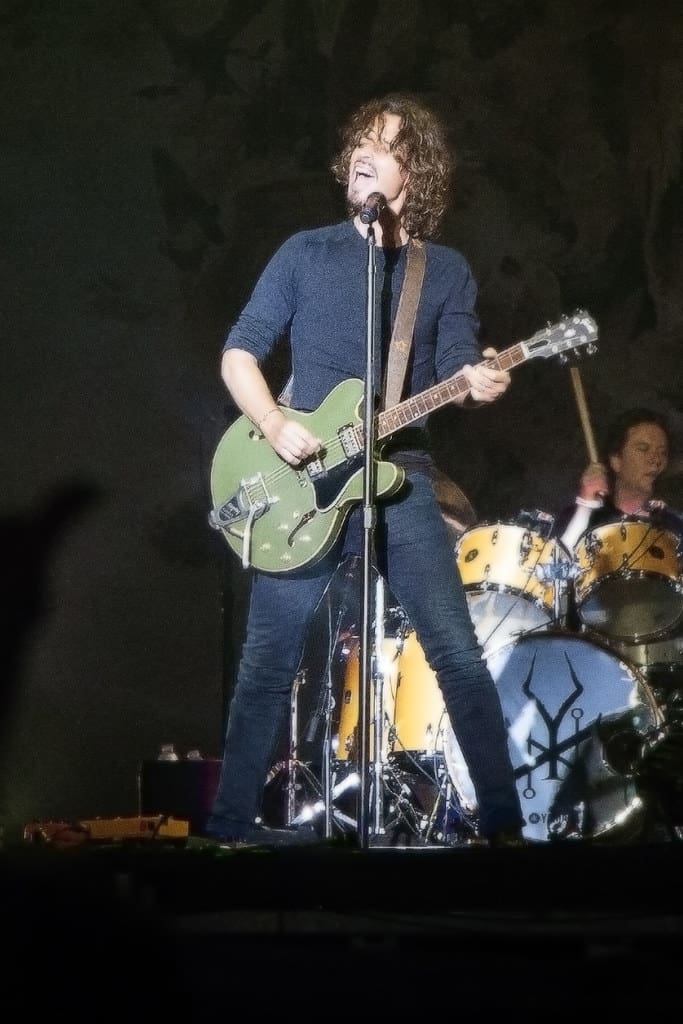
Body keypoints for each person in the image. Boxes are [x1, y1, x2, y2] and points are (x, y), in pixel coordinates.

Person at [204, 92, 525, 848]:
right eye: (360, 140)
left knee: (454, 650)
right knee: (266, 663)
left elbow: (453, 368)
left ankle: (508, 833)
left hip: (397, 473)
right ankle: (224, 833)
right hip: (303, 476)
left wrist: (480, 379)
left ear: (415, 170)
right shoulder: (303, 253)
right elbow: (239, 353)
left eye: (383, 144)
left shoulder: (440, 271)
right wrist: (275, 422)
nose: (363, 151)